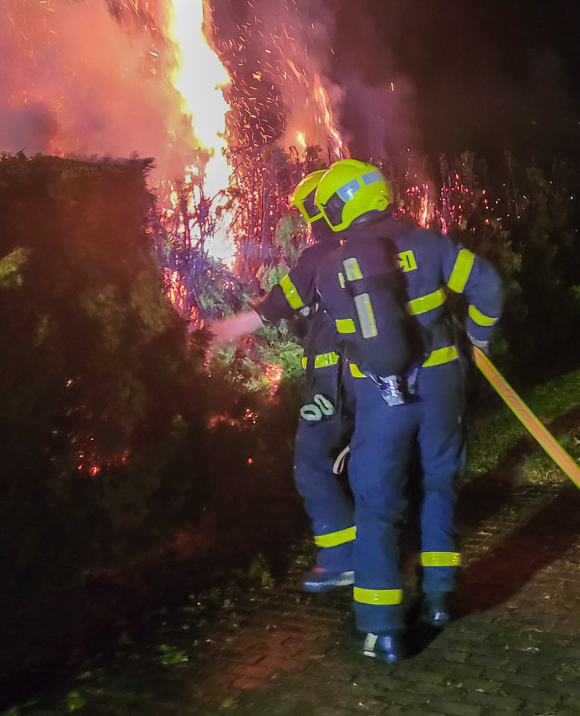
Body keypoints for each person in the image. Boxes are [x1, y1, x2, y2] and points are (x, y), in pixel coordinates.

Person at [311, 159, 504, 663]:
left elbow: (337, 341)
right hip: (441, 385)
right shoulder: (430, 243)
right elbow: (488, 286)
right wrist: (480, 339)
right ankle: (438, 600)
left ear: (339, 208)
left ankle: (384, 631)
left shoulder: (334, 266)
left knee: (378, 506)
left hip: (380, 398)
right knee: (440, 486)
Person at [208, 169, 357, 592]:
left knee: (311, 461)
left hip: (333, 379)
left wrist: (221, 331)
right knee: (359, 459)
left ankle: (343, 559)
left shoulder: (321, 255)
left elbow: (275, 306)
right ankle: (374, 541)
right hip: (370, 376)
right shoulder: (367, 247)